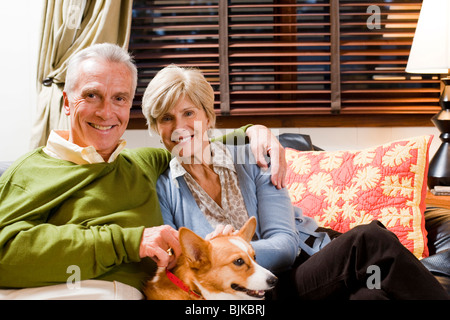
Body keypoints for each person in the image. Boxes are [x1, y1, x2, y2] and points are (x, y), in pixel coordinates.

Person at [0, 43, 286, 300]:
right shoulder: (32, 170)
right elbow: (4, 254)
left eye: (119, 99)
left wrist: (253, 132)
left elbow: (191, 140)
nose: (106, 112)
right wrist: (128, 242)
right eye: (92, 95)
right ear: (66, 102)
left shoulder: (141, 164)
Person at [142, 65, 449, 300]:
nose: (180, 127)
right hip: (259, 289)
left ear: (208, 117)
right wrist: (227, 258)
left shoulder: (252, 157)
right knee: (369, 240)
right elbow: (178, 261)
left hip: (307, 260)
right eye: (166, 118)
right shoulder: (163, 188)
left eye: (188, 113)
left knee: (372, 296)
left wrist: (228, 253)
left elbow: (286, 245)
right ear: (156, 127)